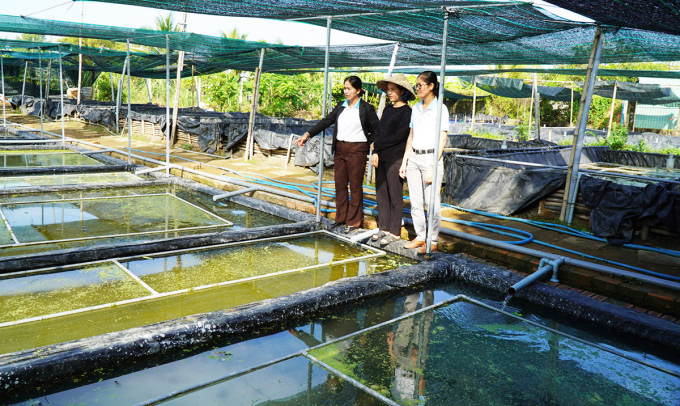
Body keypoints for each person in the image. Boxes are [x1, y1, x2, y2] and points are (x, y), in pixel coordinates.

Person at [296, 76, 379, 233]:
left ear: (358, 90)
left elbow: (376, 130)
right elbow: (326, 121)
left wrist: (375, 150)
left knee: (355, 186)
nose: (346, 91)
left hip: (357, 150)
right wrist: (307, 134)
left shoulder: (366, 109)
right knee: (340, 185)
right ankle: (340, 219)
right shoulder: (341, 106)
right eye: (345, 88)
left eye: (349, 89)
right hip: (340, 149)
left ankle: (353, 222)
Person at [399, 71, 449, 254]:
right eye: (417, 85)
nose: (417, 88)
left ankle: (432, 240)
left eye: (420, 85)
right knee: (416, 201)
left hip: (430, 157)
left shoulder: (440, 109)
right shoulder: (415, 109)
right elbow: (411, 137)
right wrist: (405, 161)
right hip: (414, 157)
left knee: (431, 202)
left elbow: (442, 139)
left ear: (431, 86)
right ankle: (420, 237)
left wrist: (432, 166)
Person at [370, 74, 415, 246]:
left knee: (395, 195)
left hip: (396, 158)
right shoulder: (387, 110)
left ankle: (395, 231)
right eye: (388, 90)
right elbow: (380, 131)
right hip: (381, 157)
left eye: (393, 90)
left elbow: (399, 136)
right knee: (381, 193)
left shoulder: (407, 112)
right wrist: (375, 152)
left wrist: (377, 144)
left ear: (402, 91)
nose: (389, 93)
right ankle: (384, 228)